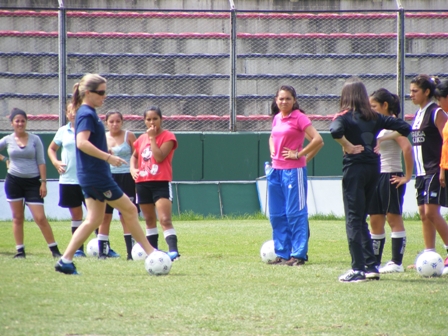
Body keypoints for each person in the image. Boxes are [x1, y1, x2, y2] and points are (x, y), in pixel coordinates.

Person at [54, 74, 171, 275]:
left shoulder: (87, 112)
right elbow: (82, 143)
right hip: (97, 177)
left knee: (94, 219)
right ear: (88, 93)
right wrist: (108, 158)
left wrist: (103, 154)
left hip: (91, 176)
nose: (104, 96)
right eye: (100, 92)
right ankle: (151, 253)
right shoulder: (86, 113)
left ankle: (65, 260)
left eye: (105, 92)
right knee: (130, 210)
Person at [330, 78, 411, 283]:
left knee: (353, 219)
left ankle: (357, 269)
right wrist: (380, 138)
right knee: (361, 218)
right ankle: (371, 266)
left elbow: (335, 131)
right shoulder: (375, 117)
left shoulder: (345, 116)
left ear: (346, 97)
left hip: (355, 169)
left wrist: (347, 146)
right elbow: (405, 127)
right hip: (374, 169)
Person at [267, 85, 324, 266]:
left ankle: (298, 254)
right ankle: (283, 253)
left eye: (288, 99)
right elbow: (272, 137)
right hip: (276, 171)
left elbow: (318, 140)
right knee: (277, 215)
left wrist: (299, 155)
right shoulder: (277, 118)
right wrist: (272, 152)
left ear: (294, 100)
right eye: (281, 99)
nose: (284, 102)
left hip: (293, 172)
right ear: (276, 100)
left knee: (295, 213)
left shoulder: (299, 117)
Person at [0, 108, 61, 258]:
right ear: (12, 123)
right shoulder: (7, 139)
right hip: (13, 181)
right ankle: (20, 250)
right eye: (17, 121)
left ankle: (55, 251)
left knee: (40, 217)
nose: (20, 123)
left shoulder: (35, 139)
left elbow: (41, 161)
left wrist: (43, 183)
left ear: (26, 122)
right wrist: (5, 159)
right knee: (17, 217)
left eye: (22, 121)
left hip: (33, 183)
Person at [368, 89, 413, 273]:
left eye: (374, 106)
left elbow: (407, 149)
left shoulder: (394, 125)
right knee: (375, 220)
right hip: (376, 177)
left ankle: (396, 262)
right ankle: (375, 262)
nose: (371, 110)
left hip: (390, 175)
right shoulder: (377, 125)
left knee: (393, 217)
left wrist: (407, 177)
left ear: (385, 106)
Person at [409, 74, 448, 271]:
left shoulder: (437, 112)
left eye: (415, 91)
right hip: (421, 172)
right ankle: (429, 254)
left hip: (434, 169)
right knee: (423, 214)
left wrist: (442, 168)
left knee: (432, 212)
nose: (411, 95)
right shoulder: (418, 114)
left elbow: (446, 140)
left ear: (426, 92)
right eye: (410, 91)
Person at [130, 106, 180, 259]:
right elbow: (135, 156)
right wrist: (132, 169)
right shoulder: (140, 139)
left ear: (161, 119)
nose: (152, 122)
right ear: (144, 121)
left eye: (155, 119)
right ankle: (153, 252)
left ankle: (173, 252)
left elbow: (159, 157)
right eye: (148, 119)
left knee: (165, 219)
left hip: (161, 182)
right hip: (142, 183)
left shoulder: (168, 137)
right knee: (149, 219)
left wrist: (152, 138)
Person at [97, 110, 138, 260]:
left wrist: (135, 172)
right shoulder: (101, 137)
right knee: (105, 216)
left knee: (126, 215)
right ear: (106, 122)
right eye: (111, 121)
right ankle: (102, 252)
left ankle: (130, 253)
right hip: (108, 178)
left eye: (117, 121)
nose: (115, 124)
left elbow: (137, 156)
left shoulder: (130, 136)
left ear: (122, 122)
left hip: (127, 178)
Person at [48, 103, 87, 258]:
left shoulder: (87, 130)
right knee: (76, 215)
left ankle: (102, 247)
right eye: (70, 111)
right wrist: (56, 162)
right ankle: (78, 249)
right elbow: (51, 149)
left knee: (96, 214)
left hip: (88, 179)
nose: (73, 114)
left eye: (76, 111)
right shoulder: (63, 131)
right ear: (66, 113)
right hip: (68, 180)